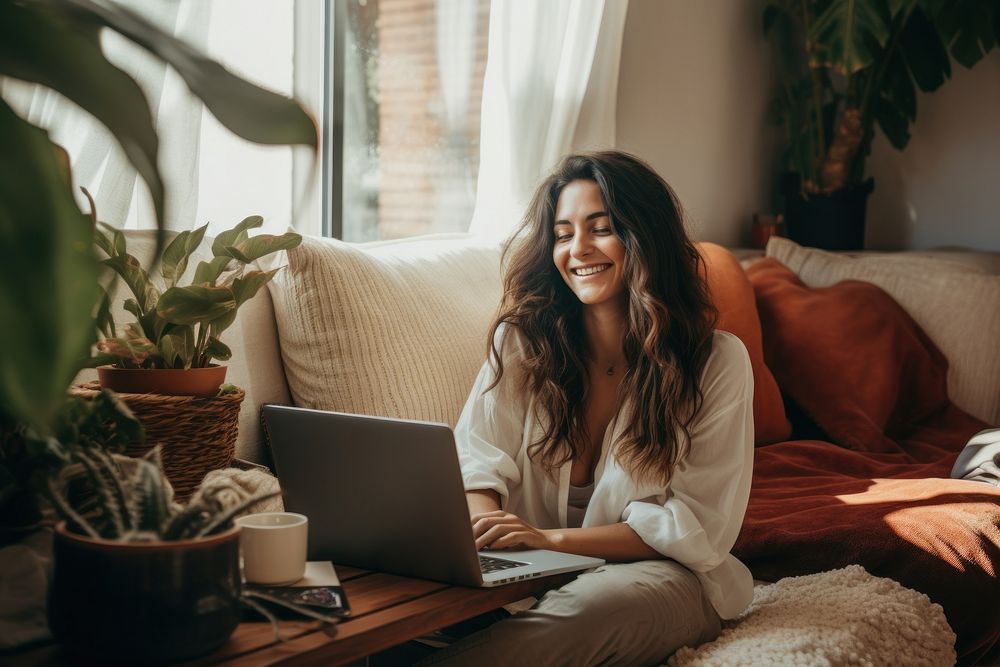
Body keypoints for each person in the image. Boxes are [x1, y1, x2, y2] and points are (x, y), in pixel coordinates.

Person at [425, 151, 754, 666]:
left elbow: (697, 526)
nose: (578, 249)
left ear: (645, 237)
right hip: (525, 572)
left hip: (662, 577)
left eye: (600, 229)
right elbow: (476, 459)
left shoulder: (717, 362)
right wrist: (485, 535)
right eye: (562, 233)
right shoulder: (520, 344)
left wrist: (548, 540)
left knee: (592, 608)